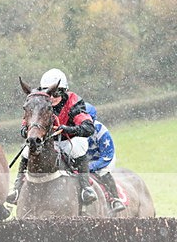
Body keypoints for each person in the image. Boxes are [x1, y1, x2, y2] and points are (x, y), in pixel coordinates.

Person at [7, 68, 97, 205]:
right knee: (25, 151)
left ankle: (86, 188)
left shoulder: (73, 102)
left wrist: (68, 129)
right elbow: (24, 127)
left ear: (64, 91)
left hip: (69, 138)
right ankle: (17, 188)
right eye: (49, 92)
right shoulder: (37, 101)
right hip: (46, 141)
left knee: (79, 148)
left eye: (57, 92)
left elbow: (88, 127)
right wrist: (28, 133)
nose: (53, 97)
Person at [85, 103, 126, 212]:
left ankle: (115, 199)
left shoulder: (101, 131)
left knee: (102, 172)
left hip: (103, 159)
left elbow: (107, 156)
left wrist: (93, 166)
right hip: (84, 160)